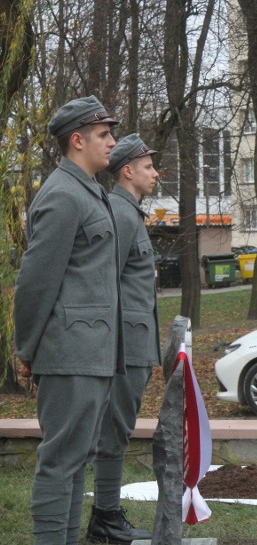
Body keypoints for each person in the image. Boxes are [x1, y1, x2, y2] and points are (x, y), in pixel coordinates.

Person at [13, 96, 122, 545]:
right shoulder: (61, 195)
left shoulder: (87, 190)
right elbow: (35, 283)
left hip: (91, 353)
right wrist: (27, 350)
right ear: (77, 140)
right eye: (103, 135)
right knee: (61, 461)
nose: (112, 142)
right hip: (69, 353)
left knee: (77, 460)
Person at [85, 134, 161, 543]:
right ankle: (105, 517)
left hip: (134, 342)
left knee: (119, 428)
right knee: (114, 430)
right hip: (123, 345)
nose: (155, 172)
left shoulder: (130, 212)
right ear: (128, 170)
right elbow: (104, 285)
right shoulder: (120, 212)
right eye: (148, 166)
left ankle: (106, 514)